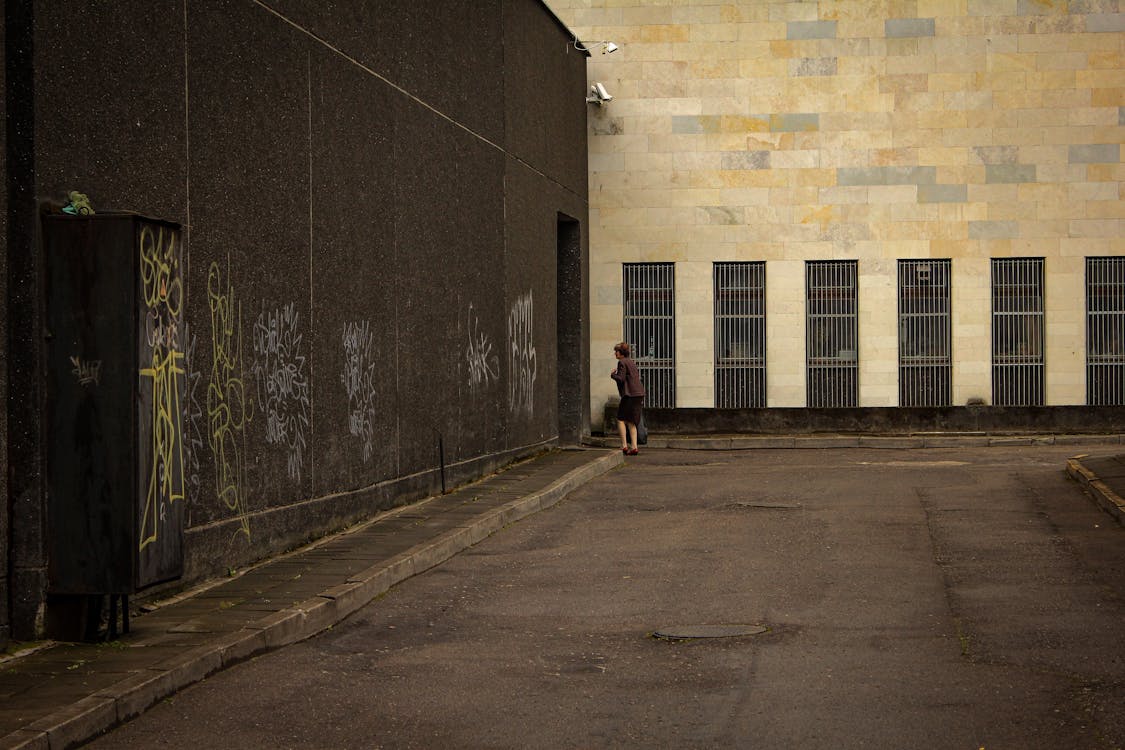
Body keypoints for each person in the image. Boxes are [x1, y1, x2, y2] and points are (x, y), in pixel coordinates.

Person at [610, 342, 646, 455]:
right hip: (638, 393)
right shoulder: (631, 362)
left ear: (621, 353)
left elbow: (620, 379)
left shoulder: (621, 362)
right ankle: (634, 447)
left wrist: (613, 375)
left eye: (616, 351)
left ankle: (624, 445)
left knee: (621, 419)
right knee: (632, 421)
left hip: (629, 394)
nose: (615, 353)